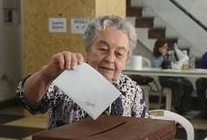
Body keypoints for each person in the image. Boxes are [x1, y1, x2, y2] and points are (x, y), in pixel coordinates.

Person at [17, 15, 148, 128]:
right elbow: (29, 101)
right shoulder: (69, 75)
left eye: (119, 53)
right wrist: (46, 74)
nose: (110, 59)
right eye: (103, 49)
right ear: (88, 48)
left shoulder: (132, 90)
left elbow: (142, 132)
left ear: (127, 58)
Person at [151, 38, 193, 114]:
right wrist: (163, 57)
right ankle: (175, 107)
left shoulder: (170, 55)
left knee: (188, 85)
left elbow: (174, 65)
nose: (166, 49)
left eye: (166, 47)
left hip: (174, 77)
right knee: (179, 85)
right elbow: (155, 65)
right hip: (165, 79)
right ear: (159, 48)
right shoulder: (156, 57)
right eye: (164, 47)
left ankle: (183, 108)